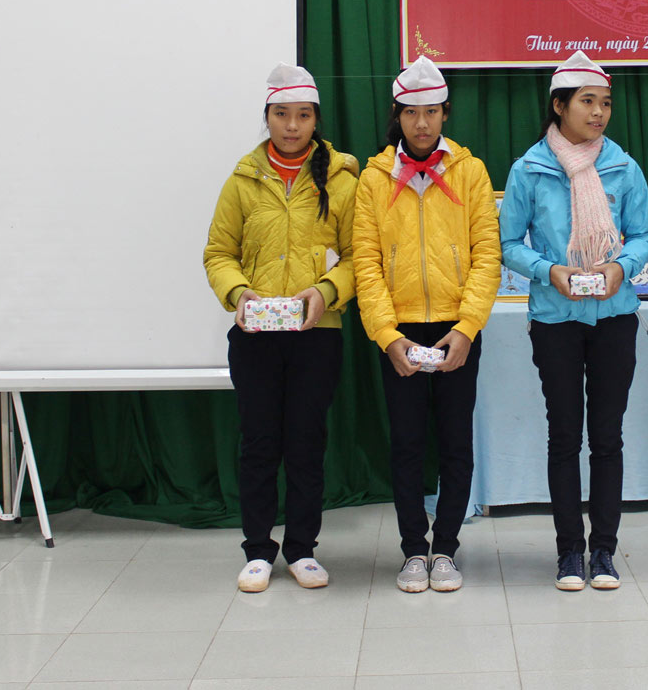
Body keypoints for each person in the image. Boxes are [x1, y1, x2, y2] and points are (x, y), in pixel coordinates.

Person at [499, 51, 648, 592]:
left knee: (607, 437)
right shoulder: (529, 169)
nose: (599, 113)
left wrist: (620, 267)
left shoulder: (624, 166)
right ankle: (569, 552)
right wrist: (550, 271)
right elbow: (508, 243)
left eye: (605, 103)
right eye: (587, 102)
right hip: (555, 320)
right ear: (559, 106)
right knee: (564, 437)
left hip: (614, 318)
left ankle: (604, 550)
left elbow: (643, 236)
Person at [203, 63, 359, 592]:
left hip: (318, 336)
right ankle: (257, 550)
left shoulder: (342, 180)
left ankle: (302, 549)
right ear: (267, 116)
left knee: (306, 444)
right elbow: (218, 253)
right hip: (256, 339)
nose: (292, 126)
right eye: (282, 114)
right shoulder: (242, 182)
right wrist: (238, 294)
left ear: (316, 119)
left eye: (303, 115)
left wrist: (326, 291)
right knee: (259, 444)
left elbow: (359, 257)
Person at [353, 56, 501, 593]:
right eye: (412, 113)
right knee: (408, 445)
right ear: (397, 115)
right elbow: (366, 262)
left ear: (445, 113)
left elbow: (487, 255)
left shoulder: (471, 171)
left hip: (456, 330)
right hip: (401, 333)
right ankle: (414, 549)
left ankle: (447, 550)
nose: (422, 123)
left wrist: (467, 327)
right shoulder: (373, 178)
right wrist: (387, 337)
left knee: (456, 443)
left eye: (432, 112)